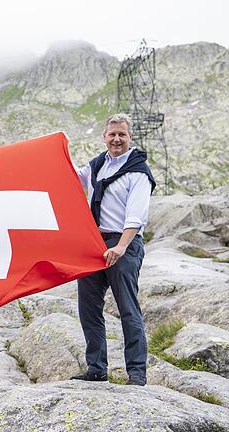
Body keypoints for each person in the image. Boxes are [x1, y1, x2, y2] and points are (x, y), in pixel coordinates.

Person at [72, 113, 156, 386]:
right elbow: (72, 179)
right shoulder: (97, 165)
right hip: (93, 244)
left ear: (130, 138)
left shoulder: (138, 171)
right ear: (104, 137)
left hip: (124, 245)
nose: (116, 139)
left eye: (122, 134)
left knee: (128, 309)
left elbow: (136, 215)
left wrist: (121, 247)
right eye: (112, 134)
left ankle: (136, 373)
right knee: (89, 309)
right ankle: (96, 368)